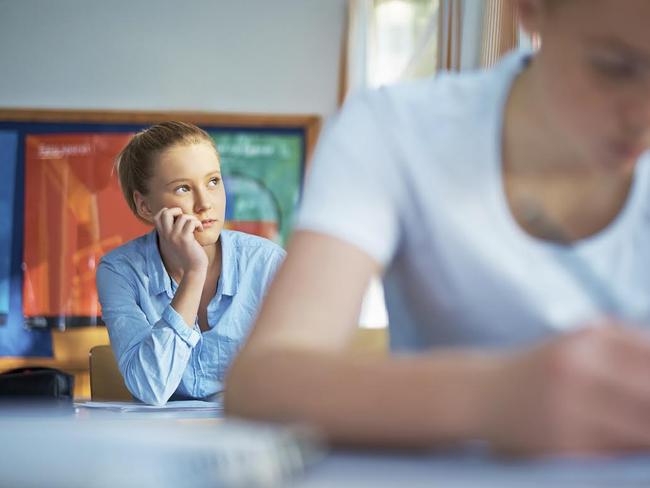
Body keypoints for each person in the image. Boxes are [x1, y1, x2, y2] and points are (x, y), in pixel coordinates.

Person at [225, 0, 650, 455]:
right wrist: (493, 397)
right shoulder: (394, 130)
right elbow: (263, 382)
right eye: (615, 68)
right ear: (529, 10)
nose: (643, 119)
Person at [96, 121, 285, 406]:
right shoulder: (119, 271)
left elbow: (291, 383)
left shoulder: (267, 263)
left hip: (245, 435)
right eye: (183, 188)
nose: (205, 203)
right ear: (145, 206)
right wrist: (194, 273)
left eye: (213, 181)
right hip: (162, 441)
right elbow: (151, 388)